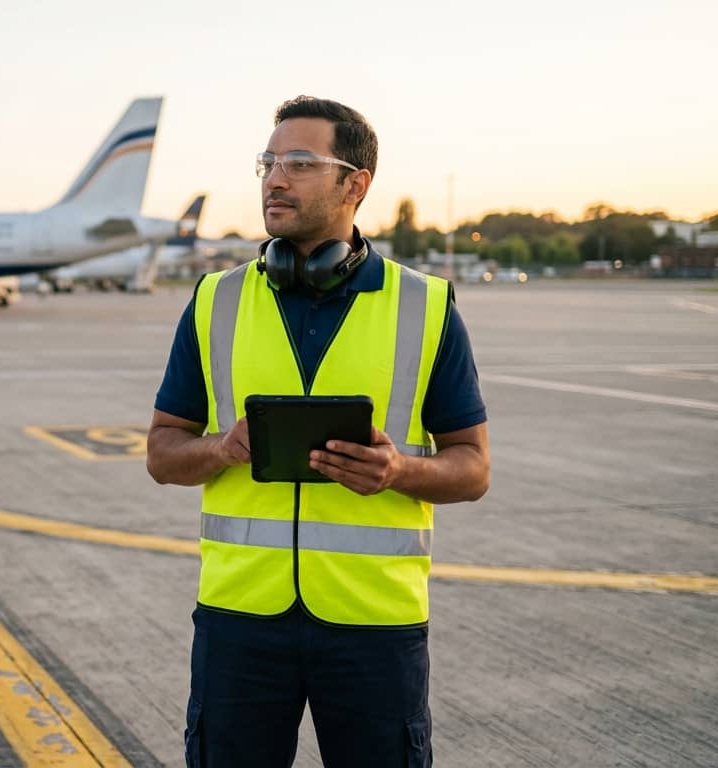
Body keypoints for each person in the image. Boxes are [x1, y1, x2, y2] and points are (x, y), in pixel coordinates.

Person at [145, 96, 490, 768]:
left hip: (374, 625)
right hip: (239, 618)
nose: (274, 178)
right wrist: (219, 450)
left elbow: (473, 468)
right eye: (267, 162)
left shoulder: (425, 305)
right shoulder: (215, 300)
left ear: (354, 183)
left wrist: (400, 471)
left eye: (299, 163)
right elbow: (161, 452)